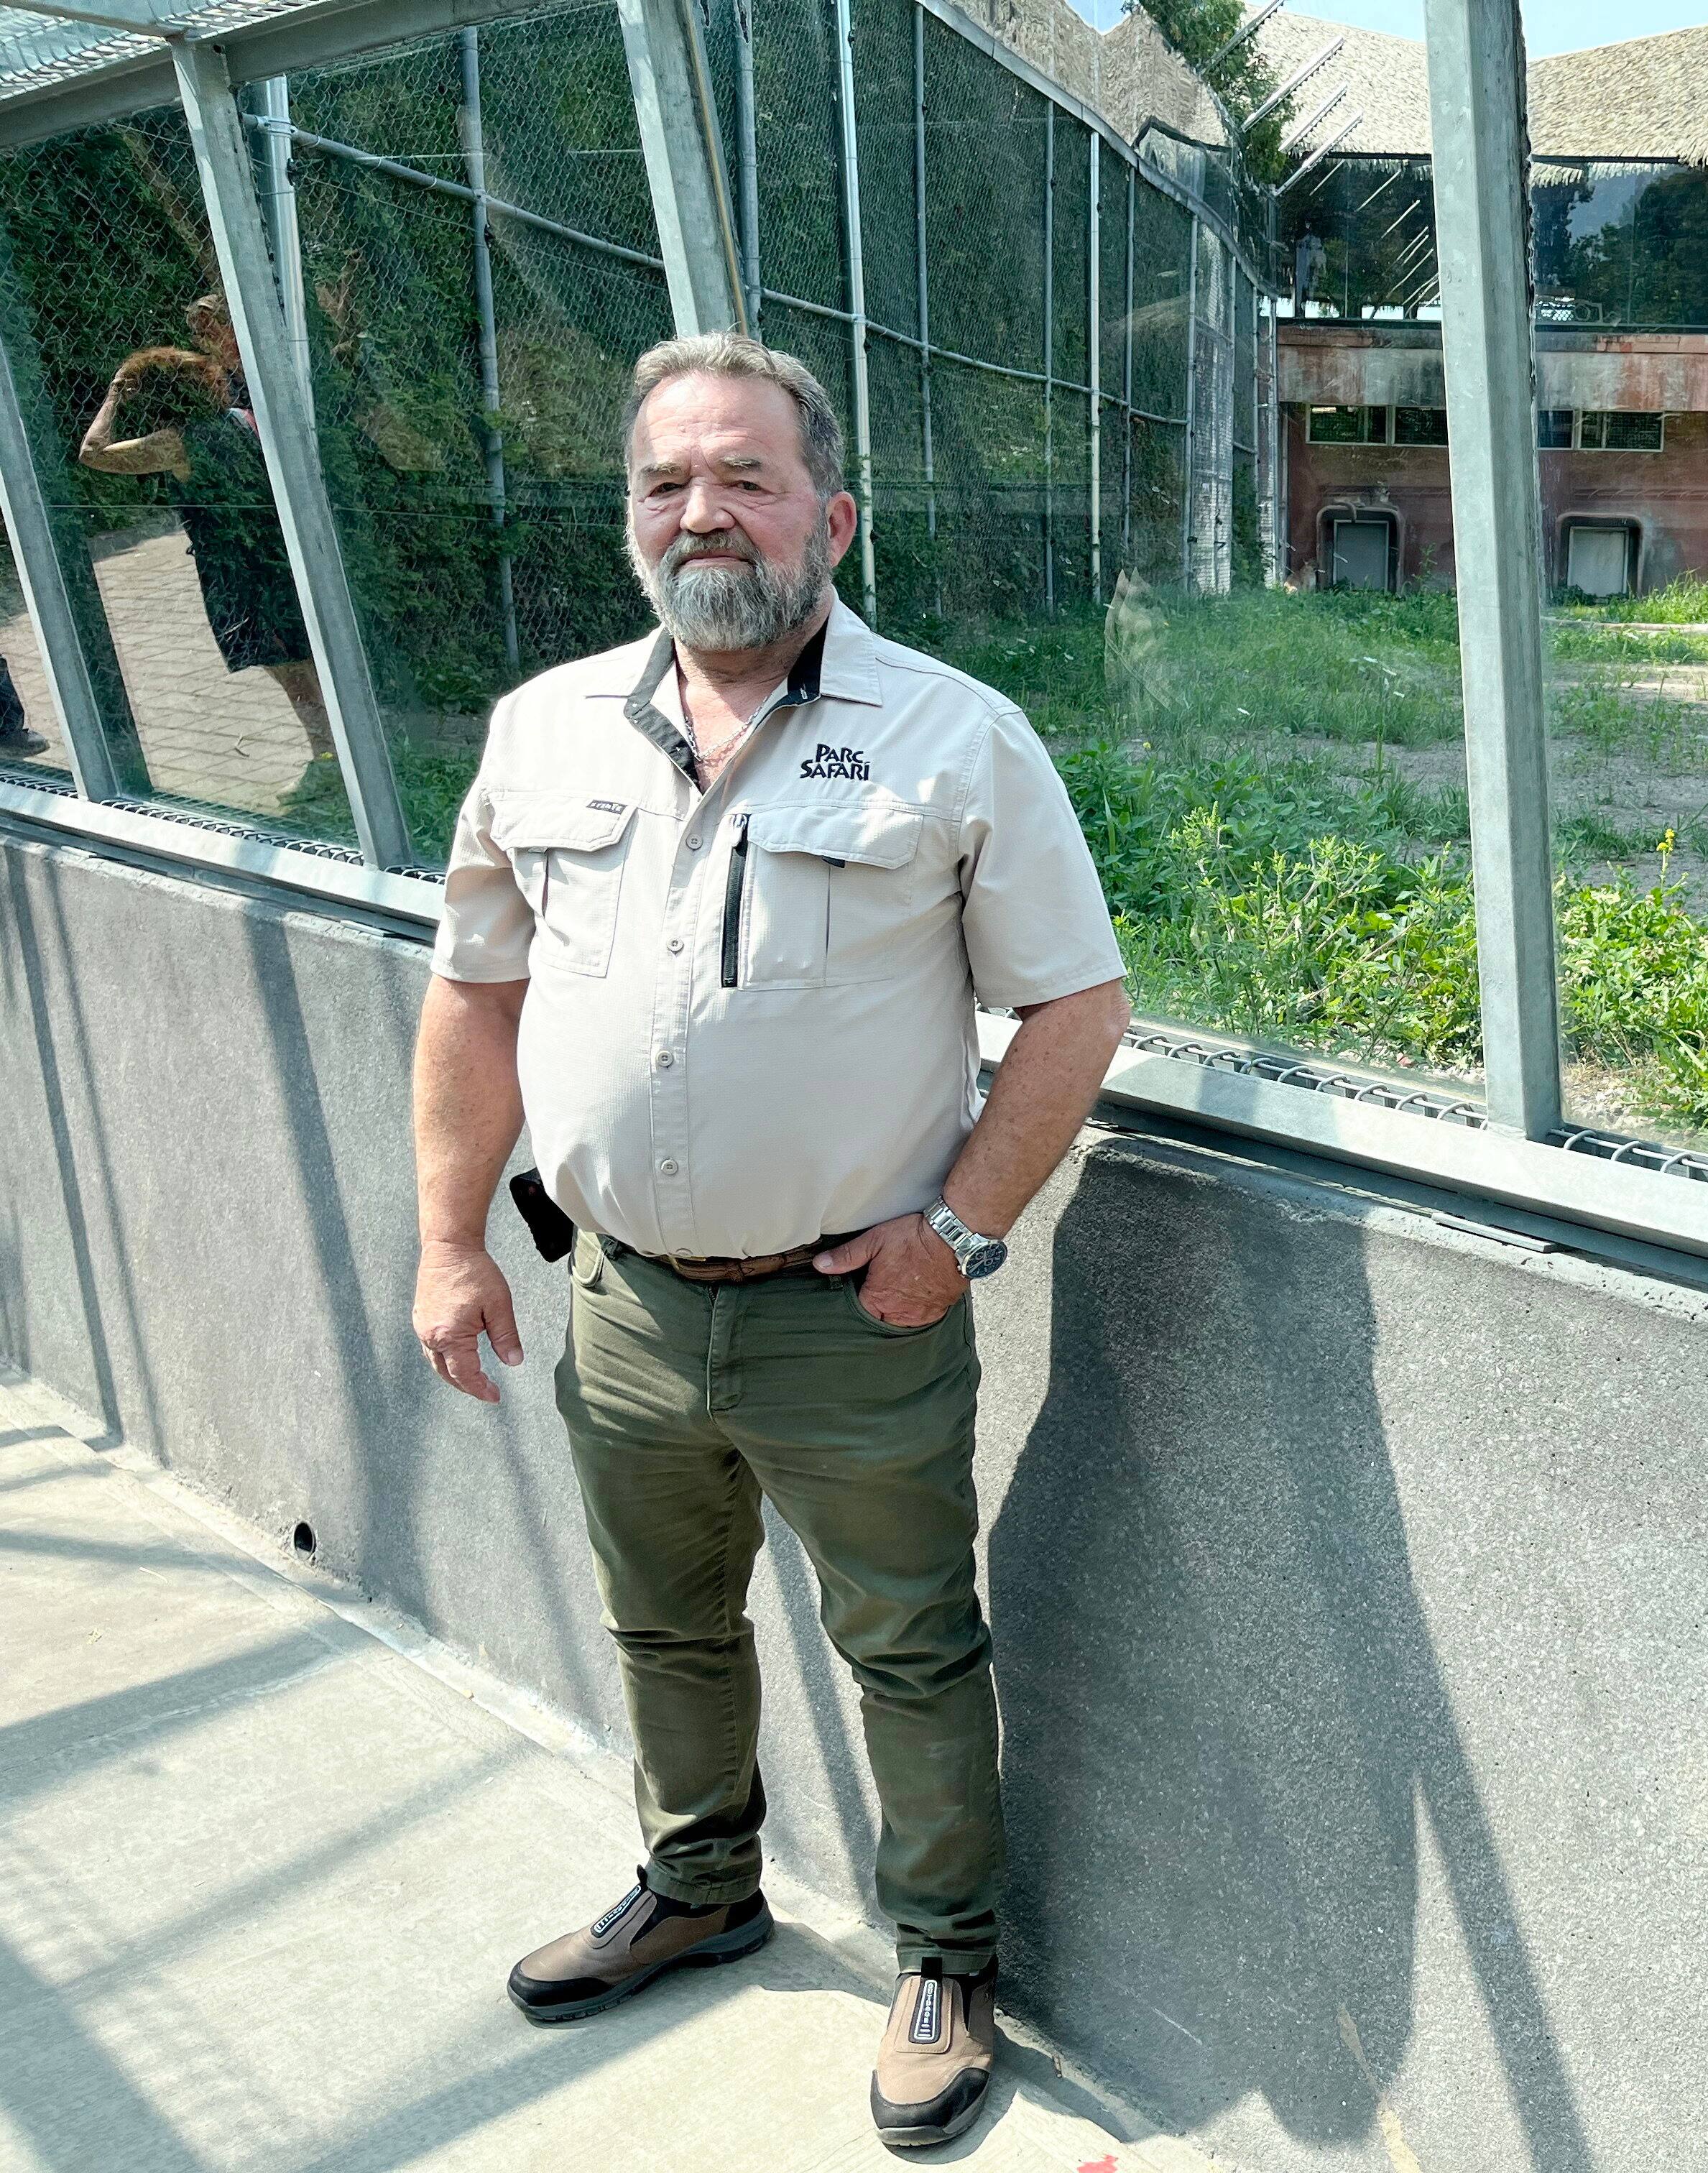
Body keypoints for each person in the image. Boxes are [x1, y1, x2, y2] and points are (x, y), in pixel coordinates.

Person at [410, 332, 1130, 2149]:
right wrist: (448, 1239)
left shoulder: (956, 736)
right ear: (630, 518)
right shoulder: (544, 730)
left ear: (834, 517)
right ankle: (699, 1885)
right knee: (663, 1624)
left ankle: (944, 1959)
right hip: (622, 1306)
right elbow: (475, 995)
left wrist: (956, 1234)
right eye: (667, 482)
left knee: (909, 1647)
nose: (703, 512)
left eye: (746, 475)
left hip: (851, 1316)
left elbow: (1077, 1007)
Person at [77, 303, 342, 816]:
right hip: (275, 556)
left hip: (234, 569)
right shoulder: (241, 419)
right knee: (303, 663)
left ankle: (329, 759)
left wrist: (113, 395)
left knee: (291, 673)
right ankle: (335, 753)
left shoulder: (173, 445)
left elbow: (92, 452)